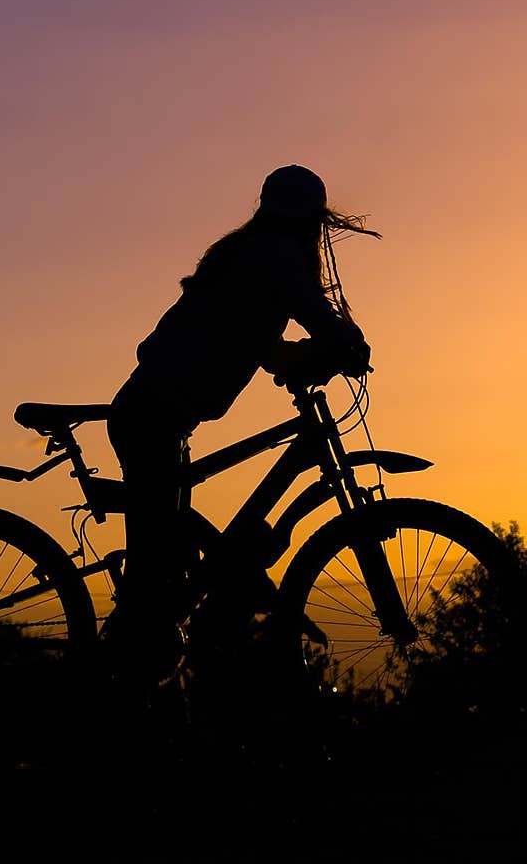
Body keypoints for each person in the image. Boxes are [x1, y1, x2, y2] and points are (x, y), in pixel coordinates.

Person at [106, 164, 377, 688]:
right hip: (154, 417)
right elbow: (313, 315)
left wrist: (298, 356)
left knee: (173, 559)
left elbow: (245, 342)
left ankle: (143, 661)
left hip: (157, 414)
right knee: (154, 575)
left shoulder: (247, 253)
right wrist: (346, 343)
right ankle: (116, 669)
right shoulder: (276, 255)